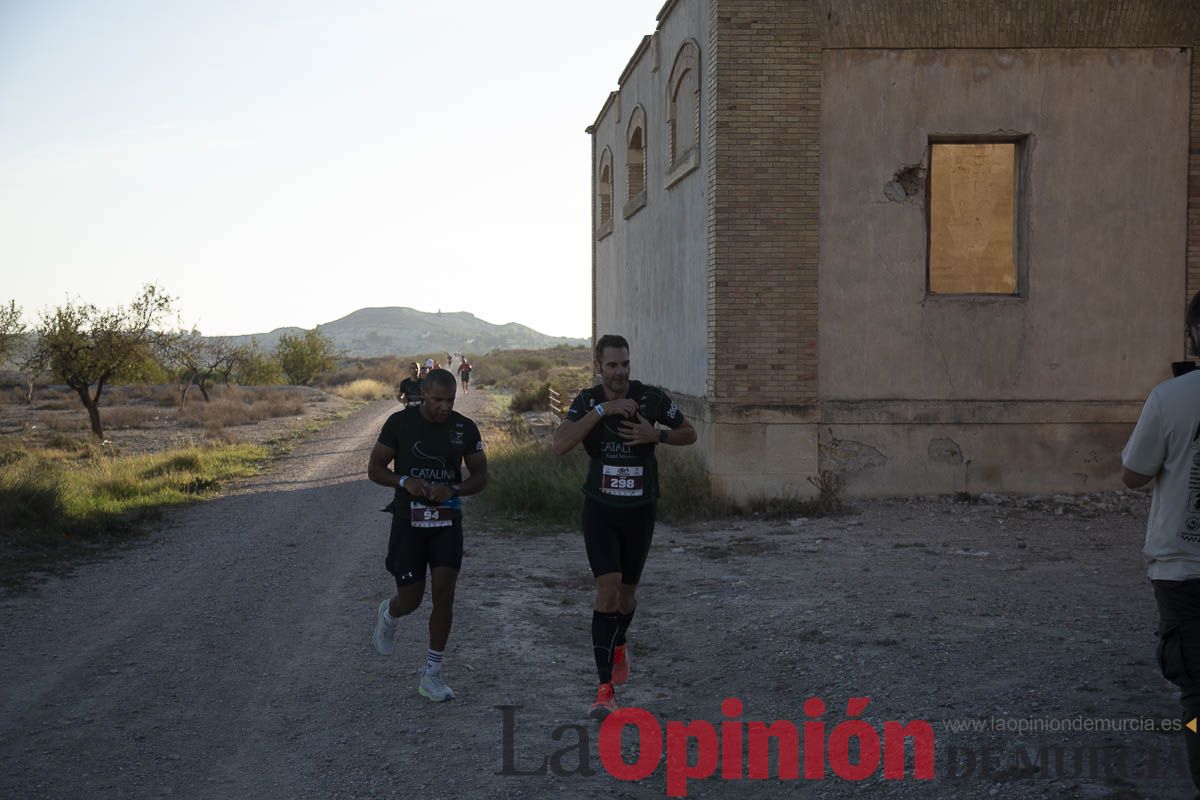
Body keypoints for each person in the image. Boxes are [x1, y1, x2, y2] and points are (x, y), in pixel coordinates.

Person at [552, 334, 696, 718]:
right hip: (600, 510)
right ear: (599, 367)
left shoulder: (652, 398)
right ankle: (604, 691)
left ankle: (620, 643)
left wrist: (657, 435)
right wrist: (604, 410)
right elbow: (559, 444)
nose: (620, 372)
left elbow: (689, 433)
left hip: (639, 511)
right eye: (612, 365)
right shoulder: (587, 401)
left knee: (627, 597)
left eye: (625, 364)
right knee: (607, 591)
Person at [368, 368, 488, 702]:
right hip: (409, 520)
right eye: (437, 400)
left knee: (444, 594)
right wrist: (406, 481)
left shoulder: (464, 428)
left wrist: (455, 487)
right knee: (412, 599)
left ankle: (432, 674)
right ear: (423, 393)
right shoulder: (399, 424)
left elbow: (481, 475)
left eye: (450, 401)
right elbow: (375, 468)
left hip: (447, 520)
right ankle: (389, 615)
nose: (444, 408)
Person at [1123, 289, 1200, 798]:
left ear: (1194, 336)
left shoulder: (1170, 397)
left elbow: (1133, 474)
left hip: (1182, 570)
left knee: (1197, 695)